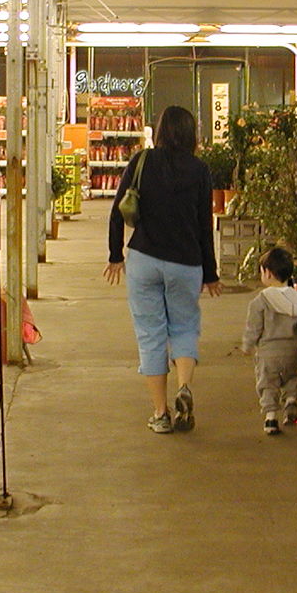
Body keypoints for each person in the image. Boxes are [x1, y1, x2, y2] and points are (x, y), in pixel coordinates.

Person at [104, 105, 221, 434]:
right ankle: (184, 386)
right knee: (184, 328)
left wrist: (116, 255)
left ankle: (160, 413)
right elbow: (203, 226)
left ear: (159, 131)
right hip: (186, 263)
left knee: (151, 335)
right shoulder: (200, 170)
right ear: (191, 134)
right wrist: (210, 274)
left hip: (145, 259)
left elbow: (118, 210)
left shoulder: (142, 161)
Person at [241, 246, 297, 436]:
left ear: (268, 273)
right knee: (290, 377)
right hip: (292, 351)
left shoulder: (260, 301)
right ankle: (290, 401)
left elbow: (253, 328)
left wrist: (247, 345)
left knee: (268, 384)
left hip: (268, 353)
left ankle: (271, 418)